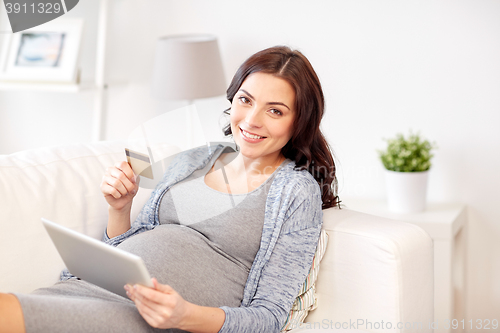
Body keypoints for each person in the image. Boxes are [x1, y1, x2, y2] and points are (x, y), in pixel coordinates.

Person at [0, 45, 339, 333]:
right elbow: (125, 247)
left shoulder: (295, 191)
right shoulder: (195, 159)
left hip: (152, 320)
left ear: (299, 122)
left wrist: (184, 315)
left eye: (275, 111)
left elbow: (270, 315)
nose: (252, 120)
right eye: (245, 100)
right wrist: (120, 208)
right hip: (89, 289)